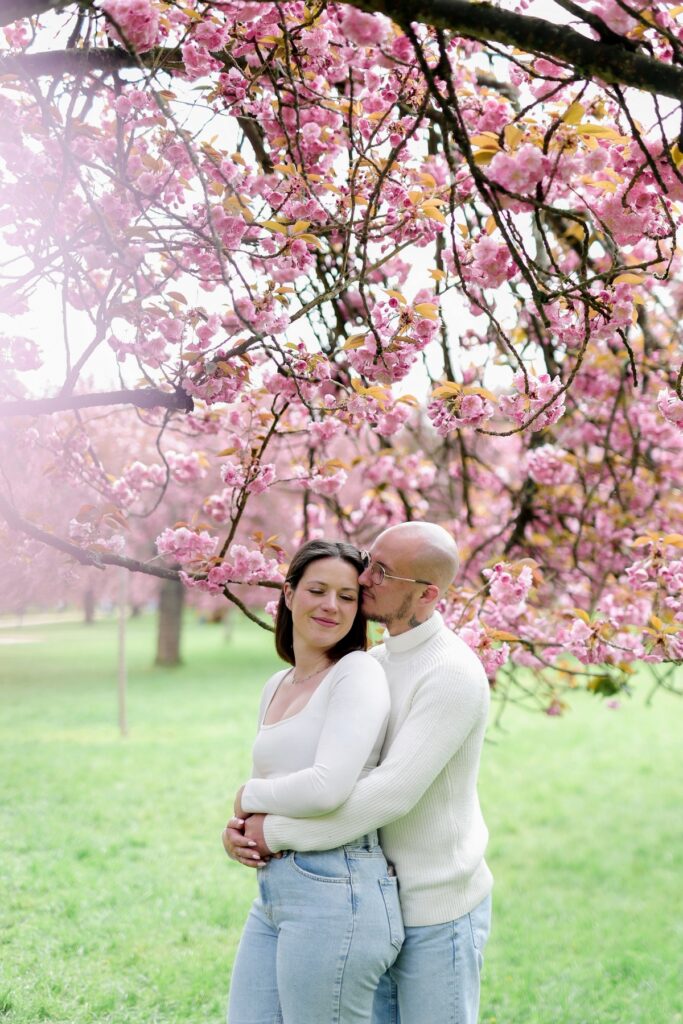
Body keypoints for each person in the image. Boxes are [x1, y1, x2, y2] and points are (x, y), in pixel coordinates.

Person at [224, 522, 493, 1024]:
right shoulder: (376, 660)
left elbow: (388, 794)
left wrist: (273, 832)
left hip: (436, 905)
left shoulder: (451, 673)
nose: (364, 578)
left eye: (383, 572)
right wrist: (247, 827)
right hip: (369, 891)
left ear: (427, 595)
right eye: (370, 560)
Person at [225, 538, 404, 1024]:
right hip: (276, 889)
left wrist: (245, 798)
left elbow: (327, 786)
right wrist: (238, 829)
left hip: (338, 889)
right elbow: (282, 781)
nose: (331, 605)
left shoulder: (356, 672)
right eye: (318, 590)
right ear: (288, 594)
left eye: (347, 597)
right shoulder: (276, 685)